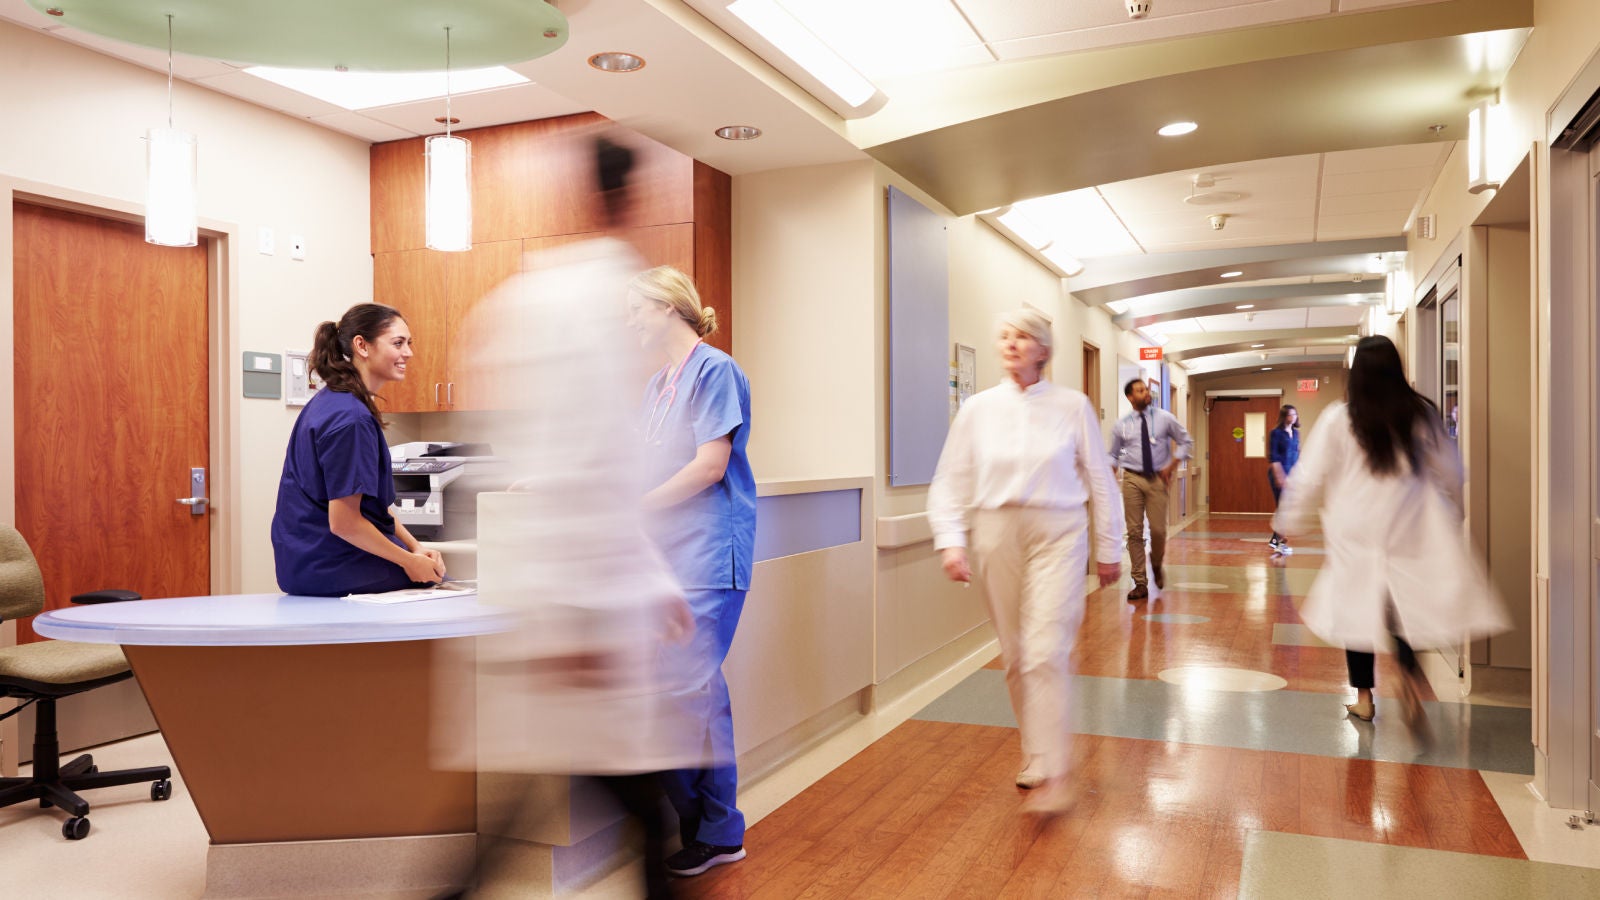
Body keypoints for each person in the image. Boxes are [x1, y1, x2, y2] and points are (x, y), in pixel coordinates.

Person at [441, 134, 697, 900]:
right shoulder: (590, 307)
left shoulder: (524, 298)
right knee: (645, 817)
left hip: (558, 601)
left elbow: (568, 466)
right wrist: (580, 624)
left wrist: (646, 584)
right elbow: (586, 469)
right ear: (630, 200)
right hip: (574, 610)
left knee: (587, 798)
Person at [928, 309, 1122, 815]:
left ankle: (1056, 769)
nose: (1012, 344)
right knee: (1017, 655)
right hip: (996, 532)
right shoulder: (978, 409)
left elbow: (1100, 479)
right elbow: (951, 478)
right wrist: (951, 540)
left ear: (1043, 350)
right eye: (1005, 336)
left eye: (1024, 337)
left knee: (1045, 648)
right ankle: (1036, 752)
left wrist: (1109, 547)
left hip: (1058, 529)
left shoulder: (1071, 405)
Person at [1272, 336, 1507, 739]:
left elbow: (1309, 477)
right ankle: (1409, 674)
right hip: (1409, 521)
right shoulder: (1420, 414)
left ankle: (1364, 698)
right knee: (1403, 604)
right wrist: (1454, 511)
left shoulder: (1338, 417)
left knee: (1355, 612)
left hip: (1355, 526)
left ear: (1356, 373)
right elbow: (1451, 471)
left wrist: (1287, 521)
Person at [627, 265, 756, 877]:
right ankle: (707, 825)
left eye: (636, 308)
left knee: (685, 692)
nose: (629, 321)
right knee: (685, 691)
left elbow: (710, 465)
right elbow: (630, 463)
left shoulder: (715, 370)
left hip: (708, 552)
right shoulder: (657, 384)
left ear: (667, 307)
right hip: (666, 558)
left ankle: (717, 830)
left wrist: (638, 507)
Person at [271, 303, 445, 597]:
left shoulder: (332, 402)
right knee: (438, 584)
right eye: (398, 343)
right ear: (362, 346)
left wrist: (416, 547)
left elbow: (372, 508)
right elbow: (344, 523)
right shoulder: (351, 419)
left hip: (305, 560)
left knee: (432, 571)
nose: (408, 353)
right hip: (331, 563)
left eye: (409, 344)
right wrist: (409, 562)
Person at [1107, 378, 1193, 601]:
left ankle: (1156, 563)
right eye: (1139, 390)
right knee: (1134, 532)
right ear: (1130, 397)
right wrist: (1111, 468)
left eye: (1145, 389)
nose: (1145, 393)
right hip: (1132, 479)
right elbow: (1115, 453)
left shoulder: (1165, 418)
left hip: (1157, 479)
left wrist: (1173, 465)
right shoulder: (1122, 425)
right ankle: (1140, 582)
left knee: (1157, 530)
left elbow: (1185, 441)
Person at [1267, 404, 1300, 555]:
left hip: (1291, 474)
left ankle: (1275, 541)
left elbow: (1296, 455)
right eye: (1290, 415)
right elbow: (1274, 457)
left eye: (1294, 414)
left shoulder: (1295, 433)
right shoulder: (1276, 433)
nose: (1293, 417)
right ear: (1284, 416)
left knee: (1285, 508)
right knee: (1283, 508)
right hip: (1278, 473)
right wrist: (1280, 476)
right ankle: (1280, 543)